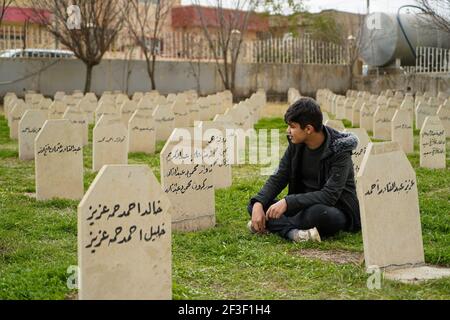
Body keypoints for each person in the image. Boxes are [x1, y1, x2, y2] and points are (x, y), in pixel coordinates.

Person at [247, 97, 361, 243]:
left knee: (322, 214)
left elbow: (329, 195)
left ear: (308, 129)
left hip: (333, 208)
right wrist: (259, 203)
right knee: (254, 205)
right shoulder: (296, 144)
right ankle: (294, 233)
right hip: (301, 206)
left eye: (292, 126)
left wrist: (288, 202)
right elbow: (280, 175)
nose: (288, 131)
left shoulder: (339, 150)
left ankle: (274, 225)